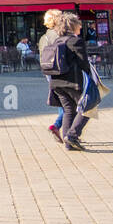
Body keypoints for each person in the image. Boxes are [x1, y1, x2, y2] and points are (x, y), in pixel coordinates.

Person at [45, 13, 90, 151]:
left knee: (69, 110)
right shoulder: (76, 41)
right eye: (79, 24)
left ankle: (68, 143)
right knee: (88, 107)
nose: (81, 27)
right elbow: (84, 63)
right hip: (73, 82)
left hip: (56, 82)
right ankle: (72, 136)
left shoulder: (57, 41)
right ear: (73, 26)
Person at [38, 10, 66, 141]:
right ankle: (59, 126)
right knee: (68, 102)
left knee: (61, 101)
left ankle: (62, 128)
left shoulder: (44, 37)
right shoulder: (59, 35)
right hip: (61, 71)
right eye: (61, 17)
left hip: (48, 70)